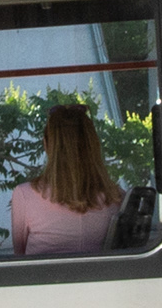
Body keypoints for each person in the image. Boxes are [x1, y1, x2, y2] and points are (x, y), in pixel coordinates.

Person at [10, 98, 127, 256]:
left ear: (46, 145)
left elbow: (20, 258)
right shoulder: (117, 198)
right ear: (93, 145)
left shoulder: (24, 195)